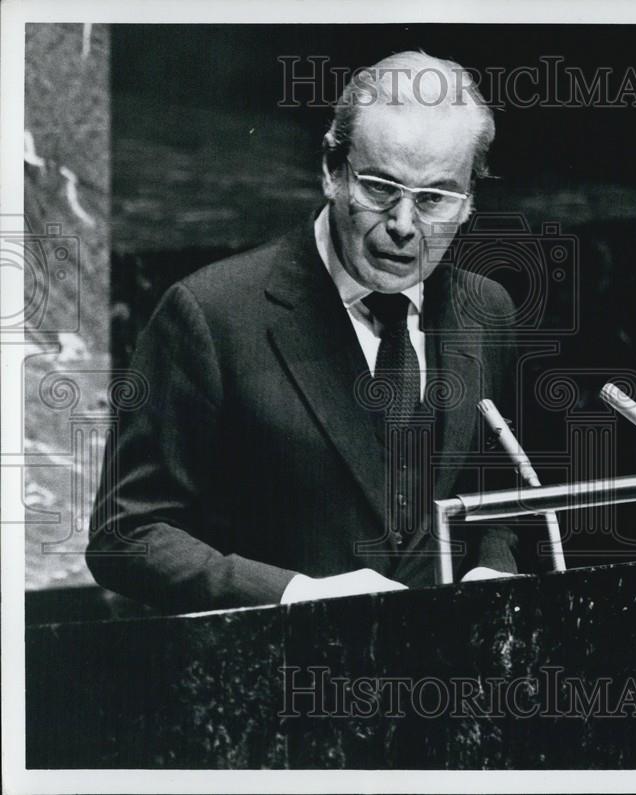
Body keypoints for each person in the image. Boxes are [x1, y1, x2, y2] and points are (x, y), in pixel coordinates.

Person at [87, 51, 521, 612]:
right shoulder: (209, 313)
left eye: (435, 198)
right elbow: (126, 535)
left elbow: (502, 498)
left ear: (468, 205)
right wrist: (298, 596)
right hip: (281, 680)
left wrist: (496, 566)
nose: (404, 227)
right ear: (331, 171)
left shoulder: (486, 309)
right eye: (380, 188)